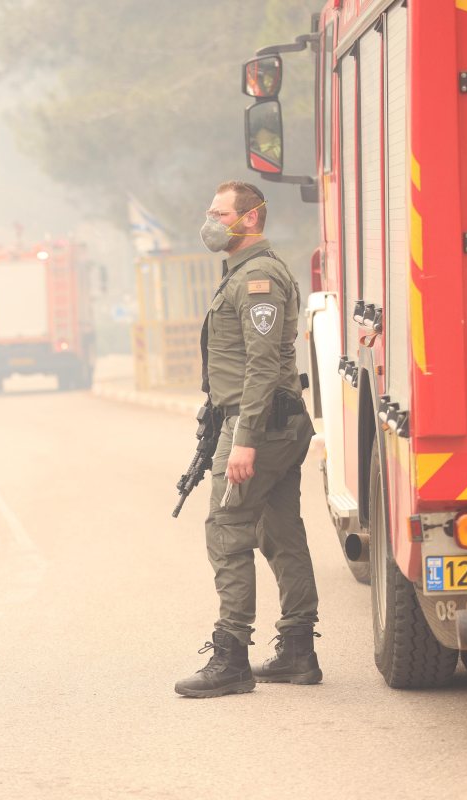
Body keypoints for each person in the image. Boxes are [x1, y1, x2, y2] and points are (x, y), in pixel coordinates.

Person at [174, 180, 320, 699]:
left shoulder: (257, 277)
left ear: (250, 218)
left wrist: (244, 439)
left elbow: (261, 366)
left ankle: (231, 656)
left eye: (220, 213)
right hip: (268, 421)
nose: (210, 221)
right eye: (210, 211)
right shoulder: (244, 272)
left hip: (257, 424)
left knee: (228, 527)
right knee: (280, 530)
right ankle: (298, 652)